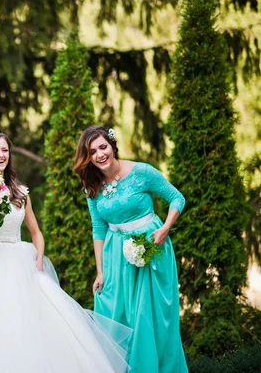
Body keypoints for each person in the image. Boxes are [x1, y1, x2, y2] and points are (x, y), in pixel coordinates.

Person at [0, 132, 131, 373]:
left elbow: (36, 232)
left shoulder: (20, 192)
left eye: (5, 150)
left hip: (20, 264)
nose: (0, 155)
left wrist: (38, 260)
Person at [74, 125, 188, 373]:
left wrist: (166, 227)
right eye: (92, 151)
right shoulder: (92, 185)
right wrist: (100, 271)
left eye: (103, 147)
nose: (99, 154)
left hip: (152, 248)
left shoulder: (142, 172)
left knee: (151, 317)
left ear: (112, 146)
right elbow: (98, 228)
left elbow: (177, 198)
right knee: (119, 315)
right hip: (116, 254)